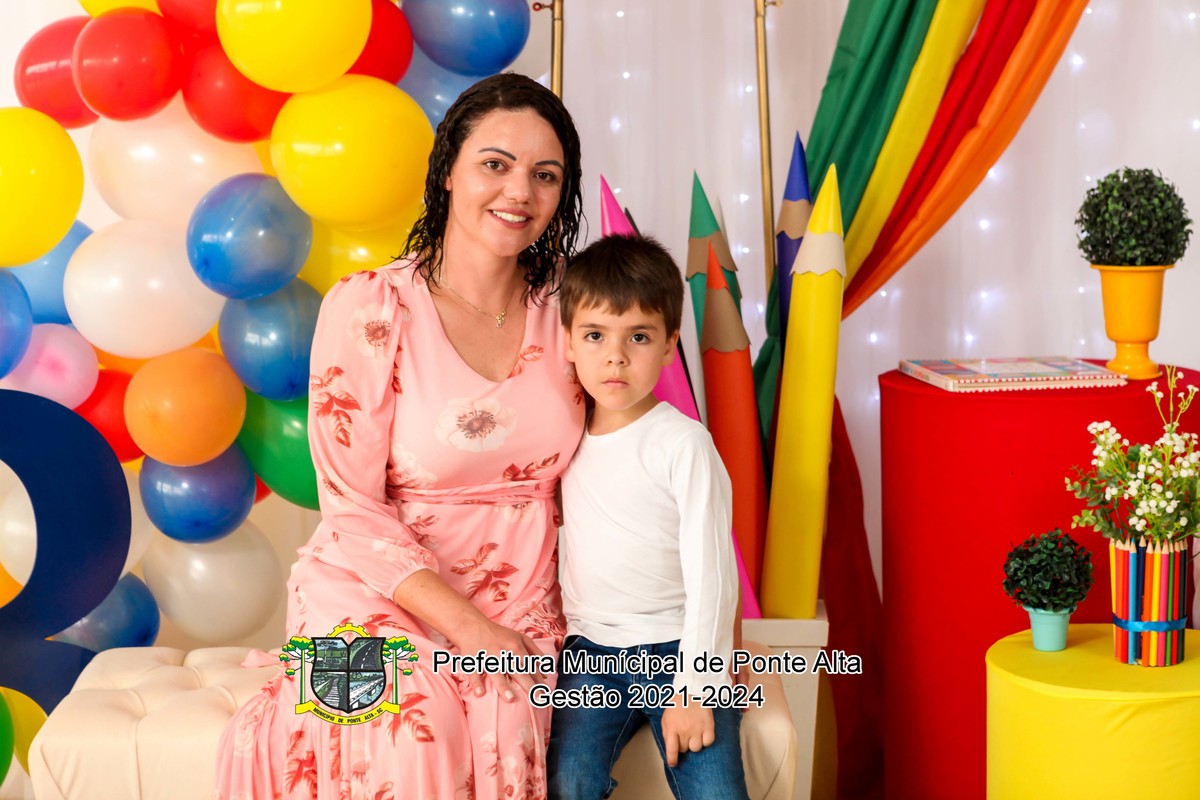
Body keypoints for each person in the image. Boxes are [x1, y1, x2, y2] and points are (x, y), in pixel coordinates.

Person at [215, 72, 586, 800]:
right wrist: (467, 628)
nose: (519, 191)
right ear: (448, 171)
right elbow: (350, 505)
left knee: (501, 714)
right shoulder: (371, 306)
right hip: (368, 586)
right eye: (495, 164)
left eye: (545, 175)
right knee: (412, 726)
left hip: (519, 593)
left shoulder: (575, 305)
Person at [547, 235, 749, 800]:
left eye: (638, 336)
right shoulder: (561, 438)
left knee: (716, 792)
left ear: (668, 345)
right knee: (568, 780)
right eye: (595, 335)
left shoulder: (683, 444)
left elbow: (713, 572)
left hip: (678, 645)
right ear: (568, 341)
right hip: (590, 652)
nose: (616, 356)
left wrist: (700, 685)